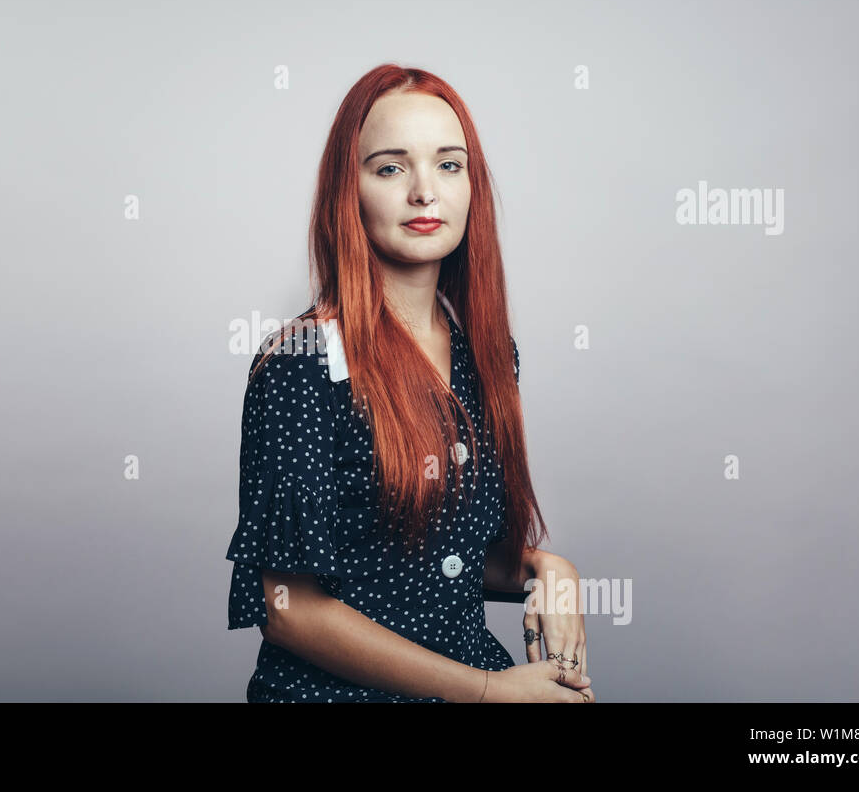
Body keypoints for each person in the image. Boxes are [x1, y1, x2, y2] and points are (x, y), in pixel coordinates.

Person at [224, 63, 594, 703]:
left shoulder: (488, 355)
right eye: (391, 168)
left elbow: (431, 564)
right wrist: (487, 692)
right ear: (350, 188)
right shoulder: (303, 364)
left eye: (449, 166)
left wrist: (546, 568)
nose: (425, 192)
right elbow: (290, 609)